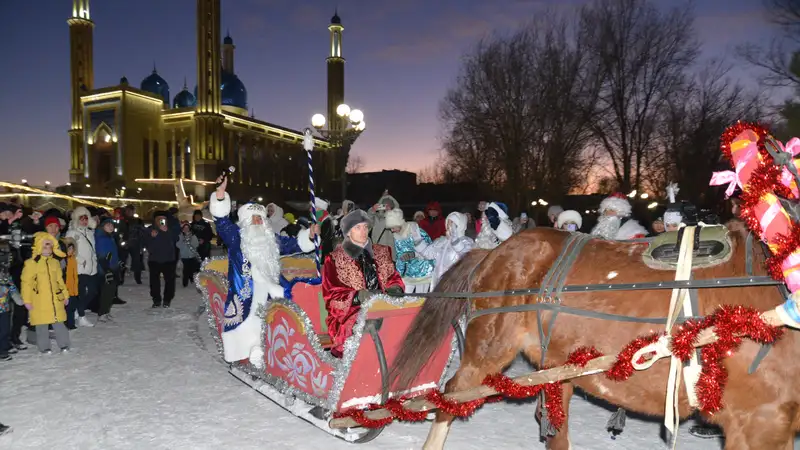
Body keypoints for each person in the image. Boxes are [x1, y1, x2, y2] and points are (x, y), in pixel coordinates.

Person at [209, 174, 318, 367]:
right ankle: (253, 348)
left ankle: (279, 347)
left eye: (260, 218)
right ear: (245, 221)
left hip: (272, 287)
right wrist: (220, 195)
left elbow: (295, 245)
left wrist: (309, 236)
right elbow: (222, 223)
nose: (258, 221)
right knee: (250, 317)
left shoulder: (272, 240)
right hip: (246, 291)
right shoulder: (236, 238)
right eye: (254, 218)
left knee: (287, 305)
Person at [322, 209, 404, 358]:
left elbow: (393, 276)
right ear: (348, 232)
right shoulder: (334, 259)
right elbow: (331, 295)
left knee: (403, 321)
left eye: (365, 227)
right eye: (357, 227)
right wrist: (357, 296)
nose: (363, 231)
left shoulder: (382, 252)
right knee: (371, 325)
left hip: (384, 307)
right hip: (350, 314)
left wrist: (395, 288)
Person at [21, 232, 71, 354]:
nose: (47, 248)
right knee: (41, 324)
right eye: (44, 245)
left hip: (55, 299)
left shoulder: (55, 262)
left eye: (49, 246)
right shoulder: (31, 263)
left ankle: (64, 344)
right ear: (38, 246)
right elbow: (26, 283)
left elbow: (60, 280)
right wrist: (27, 300)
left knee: (59, 323)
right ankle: (44, 347)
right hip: (39, 300)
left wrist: (65, 295)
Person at [420, 211, 475, 288]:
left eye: (453, 224)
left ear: (461, 225)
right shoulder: (441, 241)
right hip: (439, 284)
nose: (449, 226)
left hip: (455, 284)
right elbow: (427, 253)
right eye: (448, 223)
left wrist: (455, 240)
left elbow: (465, 255)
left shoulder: (467, 241)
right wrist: (418, 241)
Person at [385, 209, 435, 293]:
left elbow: (430, 251)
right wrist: (399, 275)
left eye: (393, 227)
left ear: (399, 223)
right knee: (407, 297)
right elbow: (399, 256)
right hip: (409, 272)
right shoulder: (397, 237)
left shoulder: (417, 232)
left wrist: (414, 254)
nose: (392, 230)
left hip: (423, 270)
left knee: (420, 298)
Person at [65, 207, 97, 328]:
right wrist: (81, 261)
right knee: (81, 293)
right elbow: (70, 250)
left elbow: (92, 249)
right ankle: (81, 316)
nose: (84, 221)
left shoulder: (89, 232)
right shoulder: (72, 233)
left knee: (93, 291)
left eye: (86, 218)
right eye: (81, 218)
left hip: (91, 267)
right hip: (80, 268)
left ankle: (79, 309)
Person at [145, 212, 179, 308]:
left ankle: (167, 300)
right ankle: (156, 300)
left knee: (169, 282)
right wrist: (152, 238)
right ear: (155, 220)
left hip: (169, 260)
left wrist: (167, 231)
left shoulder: (171, 229)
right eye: (158, 219)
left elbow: (175, 239)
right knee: (154, 282)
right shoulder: (150, 230)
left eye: (163, 219)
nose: (161, 221)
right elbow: (148, 247)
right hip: (154, 260)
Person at [95, 218, 120, 321]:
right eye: (108, 225)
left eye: (112, 225)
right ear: (103, 226)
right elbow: (102, 255)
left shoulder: (110, 237)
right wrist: (107, 270)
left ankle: (106, 311)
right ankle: (102, 312)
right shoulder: (102, 238)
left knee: (111, 291)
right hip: (106, 268)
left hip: (112, 267)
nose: (111, 227)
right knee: (107, 291)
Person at [0, 281, 22, 361]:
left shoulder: (4, 277)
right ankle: (2, 351)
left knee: (5, 330)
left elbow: (12, 288)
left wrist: (17, 298)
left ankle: (5, 346)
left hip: (4, 308)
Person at [61, 238, 79, 329]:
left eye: (72, 249)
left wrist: (75, 289)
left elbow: (75, 276)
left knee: (71, 307)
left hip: (72, 288)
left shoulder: (73, 260)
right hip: (65, 288)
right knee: (66, 308)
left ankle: (70, 323)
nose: (70, 251)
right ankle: (67, 324)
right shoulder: (64, 261)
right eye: (68, 249)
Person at [177, 223, 201, 287]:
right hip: (184, 256)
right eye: (185, 228)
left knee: (191, 269)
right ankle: (185, 283)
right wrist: (184, 242)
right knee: (186, 270)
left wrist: (190, 241)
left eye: (187, 228)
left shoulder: (193, 236)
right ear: (182, 230)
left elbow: (196, 244)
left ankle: (191, 278)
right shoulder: (180, 236)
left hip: (192, 255)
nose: (186, 229)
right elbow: (178, 245)